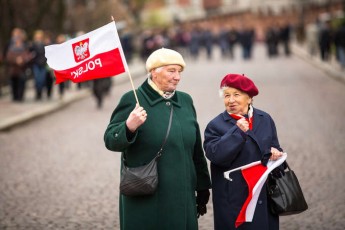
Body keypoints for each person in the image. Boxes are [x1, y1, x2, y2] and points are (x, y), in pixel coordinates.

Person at [104, 48, 211, 230]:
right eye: (171, 71)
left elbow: (195, 150)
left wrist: (202, 185)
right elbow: (110, 140)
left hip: (182, 195)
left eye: (179, 71)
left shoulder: (185, 101)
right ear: (154, 72)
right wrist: (128, 127)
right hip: (146, 196)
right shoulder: (133, 99)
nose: (177, 77)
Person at [203, 74, 285, 230]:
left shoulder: (265, 119)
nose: (231, 100)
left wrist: (276, 153)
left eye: (236, 94)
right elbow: (215, 155)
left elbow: (276, 150)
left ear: (249, 98)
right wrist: (237, 133)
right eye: (227, 95)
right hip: (233, 200)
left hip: (263, 196)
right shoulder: (215, 125)